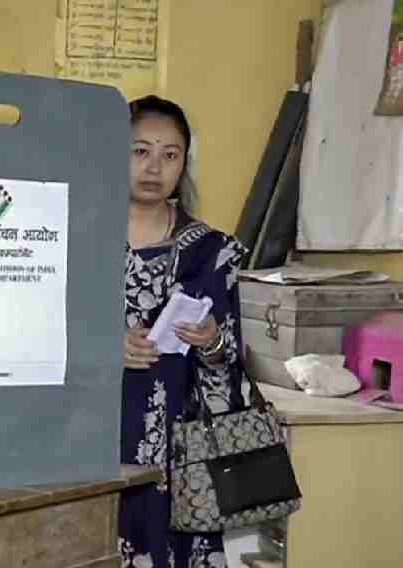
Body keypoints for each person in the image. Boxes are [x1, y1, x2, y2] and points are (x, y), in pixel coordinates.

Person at [119, 95, 247, 568]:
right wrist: (102, 347)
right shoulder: (72, 238)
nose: (154, 167)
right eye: (140, 151)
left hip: (178, 456)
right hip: (88, 446)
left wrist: (212, 340)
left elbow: (230, 367)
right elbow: (35, 334)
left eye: (170, 155)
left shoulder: (210, 252)